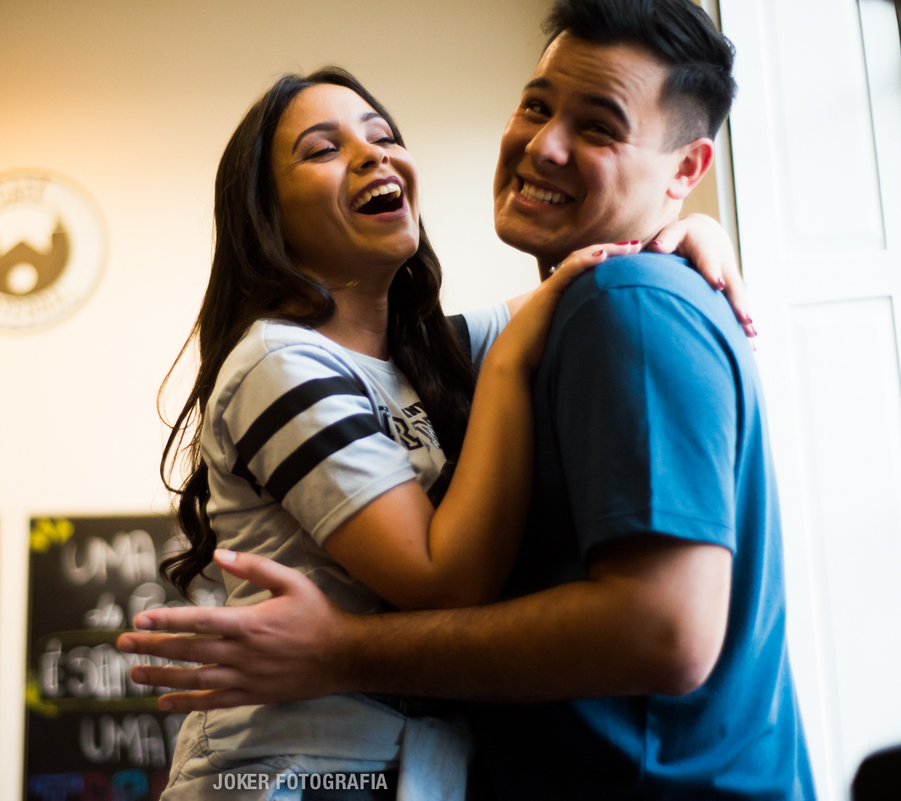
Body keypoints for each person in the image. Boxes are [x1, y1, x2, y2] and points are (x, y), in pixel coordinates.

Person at [119, 1, 816, 799]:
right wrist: (654, 236)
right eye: (536, 105)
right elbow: (444, 576)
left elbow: (590, 278)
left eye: (383, 136)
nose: (368, 156)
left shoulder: (441, 350)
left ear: (685, 166)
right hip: (291, 769)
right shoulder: (282, 359)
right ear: (266, 215)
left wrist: (688, 230)